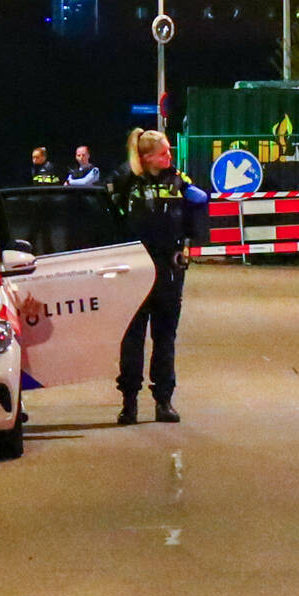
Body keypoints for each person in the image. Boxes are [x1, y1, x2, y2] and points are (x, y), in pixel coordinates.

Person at [109, 128, 207, 424]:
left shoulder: (178, 179)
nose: (169, 157)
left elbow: (195, 209)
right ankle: (129, 402)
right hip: (134, 267)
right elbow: (104, 215)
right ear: (146, 156)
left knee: (165, 337)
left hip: (168, 267)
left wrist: (190, 241)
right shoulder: (125, 179)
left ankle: (164, 401)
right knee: (132, 337)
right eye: (164, 153)